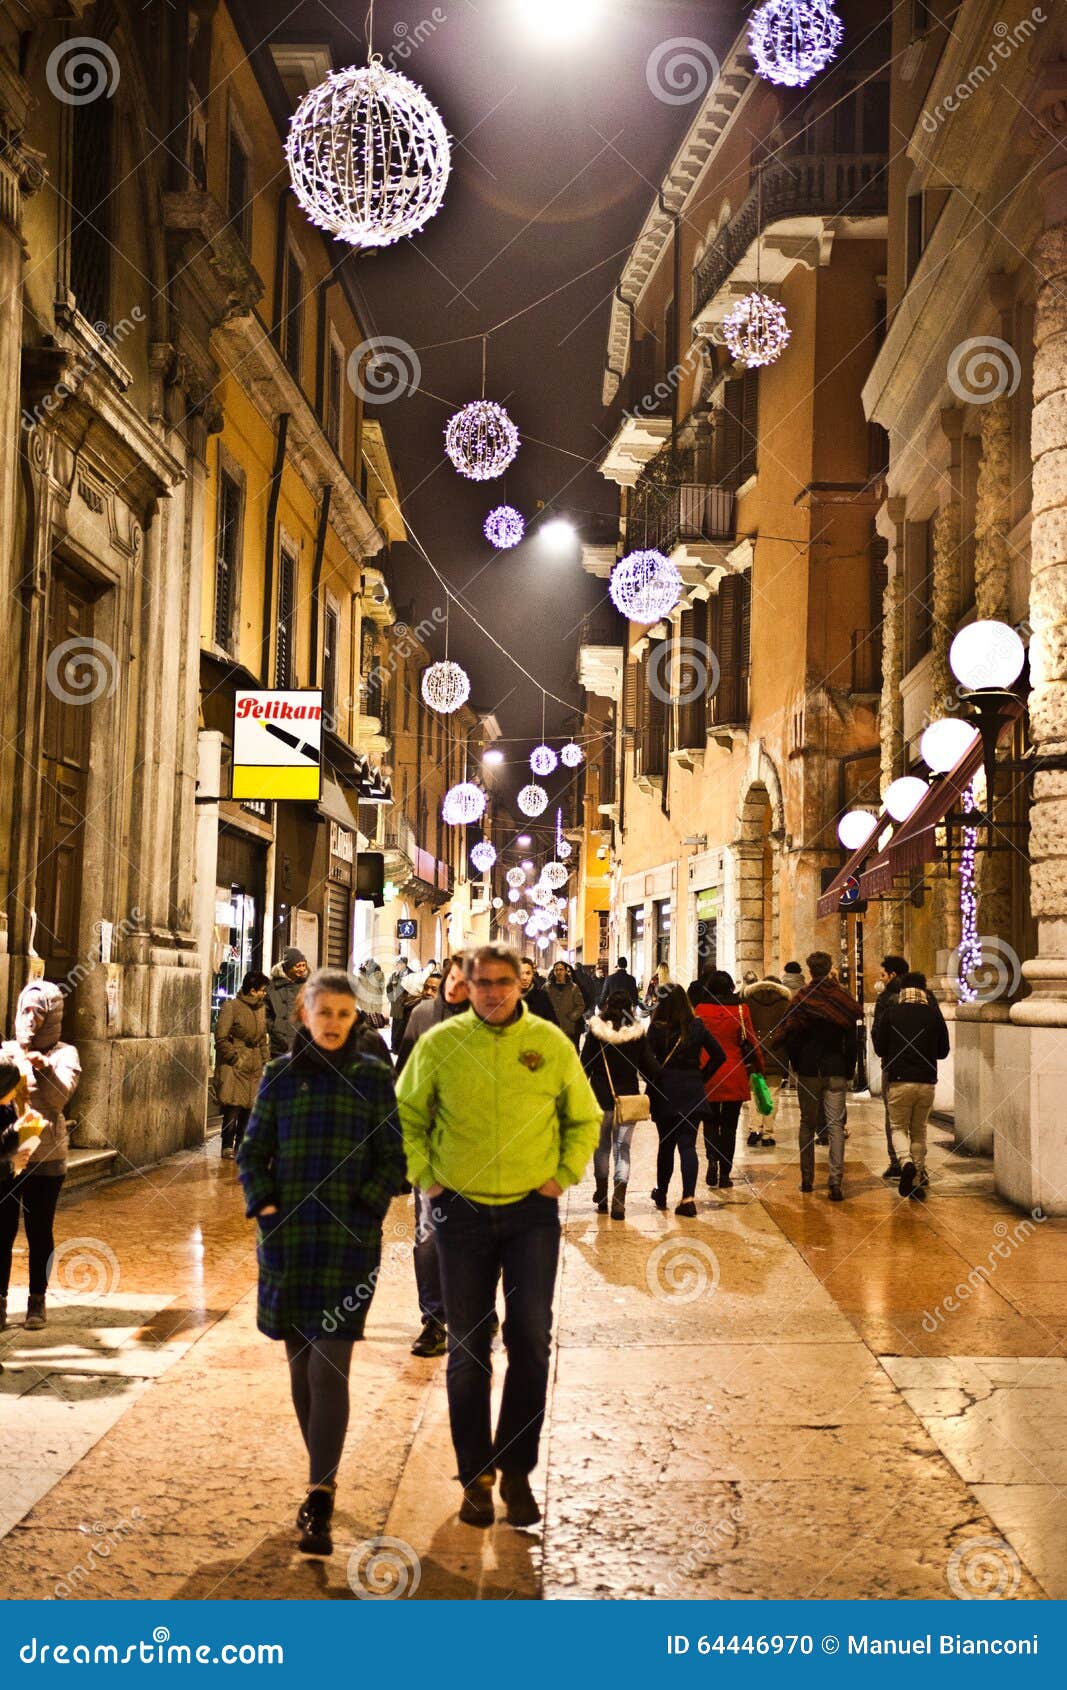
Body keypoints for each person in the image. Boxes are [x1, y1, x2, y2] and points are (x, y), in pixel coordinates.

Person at [396, 944, 600, 1530]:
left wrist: (562, 1175)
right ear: (466, 984)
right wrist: (426, 1179)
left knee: (532, 1338)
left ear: (519, 986)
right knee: (467, 1347)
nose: (490, 992)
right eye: (480, 982)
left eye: (502, 982)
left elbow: (583, 1116)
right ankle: (475, 1476)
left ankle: (515, 1467)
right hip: (458, 1213)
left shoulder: (551, 1045)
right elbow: (407, 1113)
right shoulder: (439, 1044)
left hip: (531, 1214)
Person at [238, 968, 406, 1557]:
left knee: (327, 1367)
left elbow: (394, 1157)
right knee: (299, 1365)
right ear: (303, 1016)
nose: (333, 1023)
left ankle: (320, 1491)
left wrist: (365, 1209)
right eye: (322, 1012)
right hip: (287, 1241)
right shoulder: (278, 1077)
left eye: (343, 1013)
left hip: (346, 1245)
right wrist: (264, 1205)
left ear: (355, 1018)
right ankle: (322, 1473)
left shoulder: (372, 1077)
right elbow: (252, 1151)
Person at [396, 954, 469, 1358]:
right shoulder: (422, 1015)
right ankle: (435, 1321)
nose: (457, 987)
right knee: (427, 1238)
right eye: (452, 979)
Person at [0, 981, 81, 1330]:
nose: (30, 1019)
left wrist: (44, 1068)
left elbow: (60, 1099)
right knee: (1, 1232)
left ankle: (37, 1299)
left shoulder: (67, 1054)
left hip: (47, 1156)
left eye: (39, 1012)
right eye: (26, 1011)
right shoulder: (5, 1051)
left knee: (39, 1231)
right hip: (8, 1158)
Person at [775, 952, 860, 1202]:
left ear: (810, 971)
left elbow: (790, 1035)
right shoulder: (842, 999)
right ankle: (835, 1182)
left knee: (807, 1124)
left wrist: (797, 1065)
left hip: (809, 1070)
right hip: (835, 1069)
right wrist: (849, 1069)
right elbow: (852, 1040)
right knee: (835, 1126)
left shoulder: (802, 999)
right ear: (829, 968)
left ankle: (806, 1179)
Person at [581, 991, 662, 1218]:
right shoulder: (637, 1035)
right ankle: (619, 1201)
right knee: (622, 1149)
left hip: (600, 1099)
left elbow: (584, 1065)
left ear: (606, 1006)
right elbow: (651, 1069)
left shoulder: (596, 1033)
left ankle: (601, 1193)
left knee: (602, 1147)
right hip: (628, 1100)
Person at [871, 971, 949, 1201]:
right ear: (924, 989)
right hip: (926, 1081)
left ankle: (905, 1163)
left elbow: (880, 1049)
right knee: (919, 1130)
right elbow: (943, 1051)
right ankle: (916, 1180)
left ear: (902, 989)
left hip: (899, 1080)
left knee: (897, 1127)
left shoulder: (892, 1013)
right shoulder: (933, 1015)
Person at [647, 986, 725, 1217]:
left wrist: (654, 1078)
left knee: (666, 1144)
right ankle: (688, 1198)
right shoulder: (697, 1026)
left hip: (665, 1091)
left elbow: (646, 1060)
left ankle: (661, 1193)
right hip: (692, 1090)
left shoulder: (656, 1029)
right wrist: (701, 1076)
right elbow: (719, 1055)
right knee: (688, 1145)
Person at [692, 971, 762, 1190]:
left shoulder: (701, 1010)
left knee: (710, 1122)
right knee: (730, 1126)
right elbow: (751, 1039)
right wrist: (759, 1066)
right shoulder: (741, 1010)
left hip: (708, 1072)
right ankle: (724, 1174)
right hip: (734, 1072)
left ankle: (712, 1159)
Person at [213, 970, 270, 1159]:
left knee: (249, 1108)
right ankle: (227, 1145)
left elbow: (262, 1038)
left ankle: (242, 1144)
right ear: (252, 990)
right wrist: (234, 1058)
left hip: (254, 1064)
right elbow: (220, 1037)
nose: (264, 993)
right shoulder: (231, 1007)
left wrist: (265, 1061)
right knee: (232, 1107)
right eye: (262, 990)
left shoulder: (261, 1009)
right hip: (236, 1063)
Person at [740, 974, 792, 1148]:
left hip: (755, 1054)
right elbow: (789, 1031)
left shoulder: (748, 1002)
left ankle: (755, 1129)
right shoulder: (786, 1004)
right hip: (778, 1054)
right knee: (772, 1094)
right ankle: (768, 1134)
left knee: (755, 1093)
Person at [871, 954, 910, 1179]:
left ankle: (897, 1161)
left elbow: (878, 1036)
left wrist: (884, 1052)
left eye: (883, 975)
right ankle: (916, 1164)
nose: (880, 979)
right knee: (916, 1120)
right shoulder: (925, 996)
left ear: (893, 975)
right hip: (921, 1068)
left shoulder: (885, 999)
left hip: (893, 1065)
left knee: (893, 1116)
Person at [265, 948, 309, 1057]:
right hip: (278, 1046)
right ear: (288, 967)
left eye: (304, 965)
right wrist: (276, 1030)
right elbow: (265, 1013)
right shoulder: (272, 987)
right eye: (298, 966)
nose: (302, 969)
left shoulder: (308, 986)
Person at [546, 961, 586, 1047]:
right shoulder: (547, 987)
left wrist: (572, 1016)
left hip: (569, 1028)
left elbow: (580, 1005)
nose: (559, 972)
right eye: (556, 970)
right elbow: (541, 1004)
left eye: (561, 969)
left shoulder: (573, 987)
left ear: (565, 971)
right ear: (553, 972)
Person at [518, 957, 557, 1023]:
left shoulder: (542, 997)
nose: (524, 978)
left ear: (532, 974)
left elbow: (553, 1025)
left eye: (528, 973)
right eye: (520, 973)